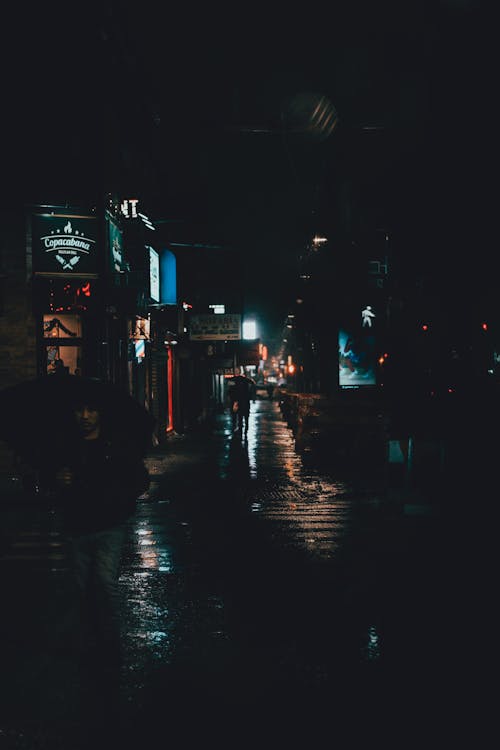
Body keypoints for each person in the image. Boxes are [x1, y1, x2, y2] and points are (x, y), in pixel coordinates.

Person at [44, 397, 150, 674]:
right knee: (78, 587)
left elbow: (140, 481)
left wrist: (117, 500)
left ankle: (109, 644)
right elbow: (46, 481)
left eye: (91, 410)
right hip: (77, 526)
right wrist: (57, 479)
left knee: (104, 584)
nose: (85, 416)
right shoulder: (65, 446)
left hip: (108, 526)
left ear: (101, 414)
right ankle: (83, 642)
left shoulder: (116, 446)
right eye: (79, 409)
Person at [228, 367, 253, 436]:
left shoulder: (232, 380)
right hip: (243, 401)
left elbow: (230, 392)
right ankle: (244, 428)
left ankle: (238, 429)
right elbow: (252, 384)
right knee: (242, 416)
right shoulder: (245, 380)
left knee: (237, 415)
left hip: (236, 401)